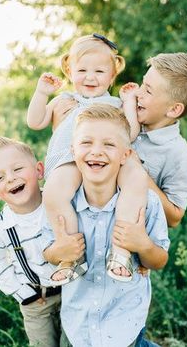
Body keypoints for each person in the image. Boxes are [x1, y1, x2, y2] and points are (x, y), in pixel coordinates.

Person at [40, 104, 170, 347]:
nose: (96, 152)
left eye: (109, 145)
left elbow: (159, 260)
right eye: (86, 143)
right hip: (77, 324)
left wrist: (142, 244)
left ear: (125, 155)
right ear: (73, 150)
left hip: (124, 324)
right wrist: (59, 252)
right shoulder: (60, 203)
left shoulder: (145, 202)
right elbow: (46, 251)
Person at [27, 33, 147, 284]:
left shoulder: (113, 104)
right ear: (69, 70)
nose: (90, 77)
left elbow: (131, 133)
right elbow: (35, 122)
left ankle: (122, 249)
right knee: (53, 193)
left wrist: (128, 102)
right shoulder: (64, 100)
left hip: (108, 161)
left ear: (112, 75)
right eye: (82, 69)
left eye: (100, 72)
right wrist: (42, 93)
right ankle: (71, 253)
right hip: (68, 160)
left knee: (135, 175)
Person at [0, 135, 83, 347]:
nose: (10, 178)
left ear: (39, 171)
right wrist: (23, 293)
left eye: (17, 169)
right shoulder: (0, 226)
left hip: (72, 290)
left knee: (74, 341)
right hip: (36, 302)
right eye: (0, 178)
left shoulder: (61, 203)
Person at [120, 52, 187, 228]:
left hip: (127, 240)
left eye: (148, 90)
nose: (139, 92)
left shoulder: (178, 154)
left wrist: (138, 173)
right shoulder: (122, 114)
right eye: (142, 83)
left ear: (174, 109)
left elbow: (174, 218)